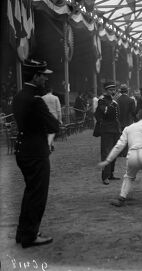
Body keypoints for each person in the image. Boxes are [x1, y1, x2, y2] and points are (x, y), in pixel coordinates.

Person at [13, 59, 60, 248]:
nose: (45, 79)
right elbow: (54, 125)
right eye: (43, 76)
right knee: (37, 195)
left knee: (30, 192)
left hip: (22, 149)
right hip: (36, 152)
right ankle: (30, 236)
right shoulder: (36, 100)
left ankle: (22, 232)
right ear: (35, 76)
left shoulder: (19, 96)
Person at [95, 82, 121, 185]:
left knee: (114, 151)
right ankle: (105, 176)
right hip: (106, 130)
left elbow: (117, 114)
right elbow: (105, 112)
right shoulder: (102, 100)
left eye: (114, 89)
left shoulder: (113, 101)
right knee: (106, 153)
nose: (113, 91)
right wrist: (113, 103)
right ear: (106, 90)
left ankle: (111, 174)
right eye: (110, 90)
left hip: (114, 129)